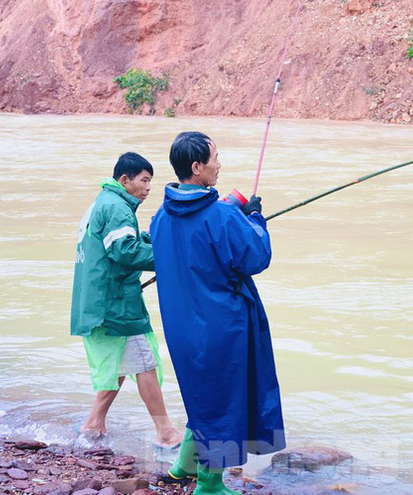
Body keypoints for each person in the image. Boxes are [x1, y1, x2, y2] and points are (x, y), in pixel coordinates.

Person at [149, 132, 285, 494]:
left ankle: (184, 466)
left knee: (203, 393)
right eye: (215, 158)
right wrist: (255, 218)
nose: (219, 164)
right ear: (197, 167)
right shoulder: (222, 213)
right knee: (225, 402)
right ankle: (210, 485)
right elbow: (256, 256)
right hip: (222, 325)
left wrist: (240, 217)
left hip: (181, 326)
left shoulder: (159, 217)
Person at [70, 151, 182, 448]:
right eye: (144, 181)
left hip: (101, 300)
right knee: (145, 362)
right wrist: (172, 256)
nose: (148, 188)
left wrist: (152, 239)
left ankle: (94, 423)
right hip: (115, 302)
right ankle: (166, 433)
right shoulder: (118, 207)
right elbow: (125, 251)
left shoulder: (104, 201)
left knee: (122, 362)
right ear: (124, 179)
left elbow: (124, 243)